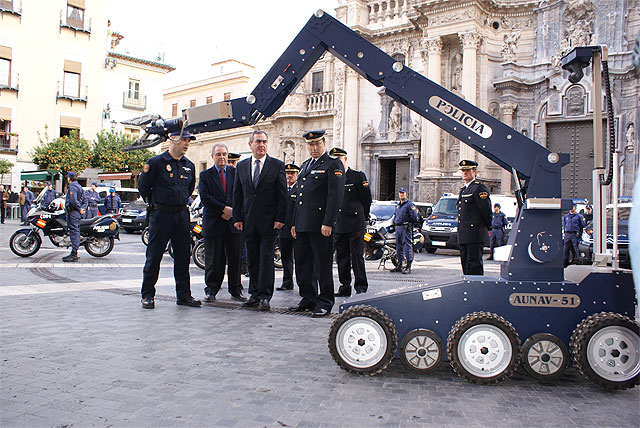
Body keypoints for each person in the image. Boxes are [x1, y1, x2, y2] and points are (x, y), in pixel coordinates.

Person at [138, 130, 201, 309]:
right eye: (184, 140)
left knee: (182, 257)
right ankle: (148, 295)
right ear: (173, 139)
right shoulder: (156, 163)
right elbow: (144, 188)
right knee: (154, 256)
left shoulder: (189, 165)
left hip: (181, 215)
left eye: (188, 140)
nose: (187, 144)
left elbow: (188, 190)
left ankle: (184, 295)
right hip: (161, 214)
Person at [290, 130, 345, 317]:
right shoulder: (305, 165)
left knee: (322, 265)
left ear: (324, 143)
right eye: (310, 145)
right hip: (304, 224)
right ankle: (308, 298)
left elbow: (335, 196)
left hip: (321, 225)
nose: (313, 148)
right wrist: (295, 223)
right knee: (304, 264)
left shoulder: (332, 164)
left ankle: (325, 301)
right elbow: (300, 198)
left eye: (317, 144)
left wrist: (328, 222)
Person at [233, 130, 287, 311]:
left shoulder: (276, 165)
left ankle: (265, 296)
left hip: (270, 222)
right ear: (251, 144)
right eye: (258, 142)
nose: (261, 145)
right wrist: (238, 217)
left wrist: (281, 218)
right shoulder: (241, 166)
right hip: (248, 221)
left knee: (265, 259)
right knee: (253, 259)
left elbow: (282, 195)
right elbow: (238, 194)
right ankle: (254, 294)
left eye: (264, 141)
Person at [199, 143, 247, 303]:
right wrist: (223, 210)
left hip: (234, 223)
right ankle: (211, 290)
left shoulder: (236, 172)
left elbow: (242, 195)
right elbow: (205, 198)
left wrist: (233, 211)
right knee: (213, 260)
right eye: (218, 154)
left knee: (235, 259)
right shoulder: (205, 175)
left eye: (224, 154)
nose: (222, 157)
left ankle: (236, 290)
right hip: (214, 223)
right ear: (212, 156)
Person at [331, 147, 372, 295]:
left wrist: (363, 218)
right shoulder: (332, 178)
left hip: (355, 223)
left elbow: (366, 199)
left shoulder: (357, 176)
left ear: (345, 159)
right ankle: (345, 286)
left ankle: (361, 287)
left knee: (356, 256)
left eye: (339, 159)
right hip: (339, 224)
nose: (337, 162)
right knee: (341, 257)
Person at [456, 160, 492, 275]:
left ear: (474, 172)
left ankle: (476, 288)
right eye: (463, 170)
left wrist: (487, 228)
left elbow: (485, 210)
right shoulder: (464, 190)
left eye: (467, 170)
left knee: (474, 264)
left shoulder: (479, 188)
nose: (464, 172)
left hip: (474, 233)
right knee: (465, 263)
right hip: (464, 234)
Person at [276, 163, 299, 291]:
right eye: (287, 174)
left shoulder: (300, 189)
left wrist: (295, 224)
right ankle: (287, 282)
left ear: (297, 175)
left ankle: (302, 283)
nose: (289, 176)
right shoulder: (281, 189)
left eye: (292, 174)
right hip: (283, 229)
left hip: (296, 228)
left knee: (300, 258)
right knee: (286, 257)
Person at [390, 187, 418, 274]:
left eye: (403, 193)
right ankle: (399, 264)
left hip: (405, 228)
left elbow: (414, 217)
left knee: (407, 246)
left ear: (406, 194)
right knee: (399, 247)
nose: (401, 194)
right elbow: (396, 216)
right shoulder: (398, 205)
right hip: (398, 228)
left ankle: (408, 266)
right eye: (400, 193)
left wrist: (409, 223)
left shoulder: (409, 205)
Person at [63, 172, 87, 262]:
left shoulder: (72, 186)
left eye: (67, 177)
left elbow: (73, 200)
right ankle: (73, 252)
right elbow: (85, 200)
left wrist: (79, 208)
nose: (67, 179)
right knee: (75, 230)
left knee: (74, 231)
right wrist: (82, 209)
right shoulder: (79, 186)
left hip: (73, 212)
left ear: (69, 178)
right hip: (77, 213)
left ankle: (74, 254)